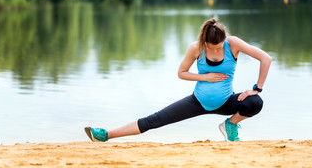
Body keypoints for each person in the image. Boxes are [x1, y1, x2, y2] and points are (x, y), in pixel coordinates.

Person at [85, 18, 272, 142]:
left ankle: (230, 125)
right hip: (197, 101)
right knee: (154, 120)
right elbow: (182, 72)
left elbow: (266, 58)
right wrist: (204, 77)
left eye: (219, 46)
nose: (216, 50)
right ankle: (105, 135)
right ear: (205, 42)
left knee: (255, 102)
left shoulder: (233, 43)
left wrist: (257, 88)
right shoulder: (196, 48)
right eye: (212, 47)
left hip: (226, 102)